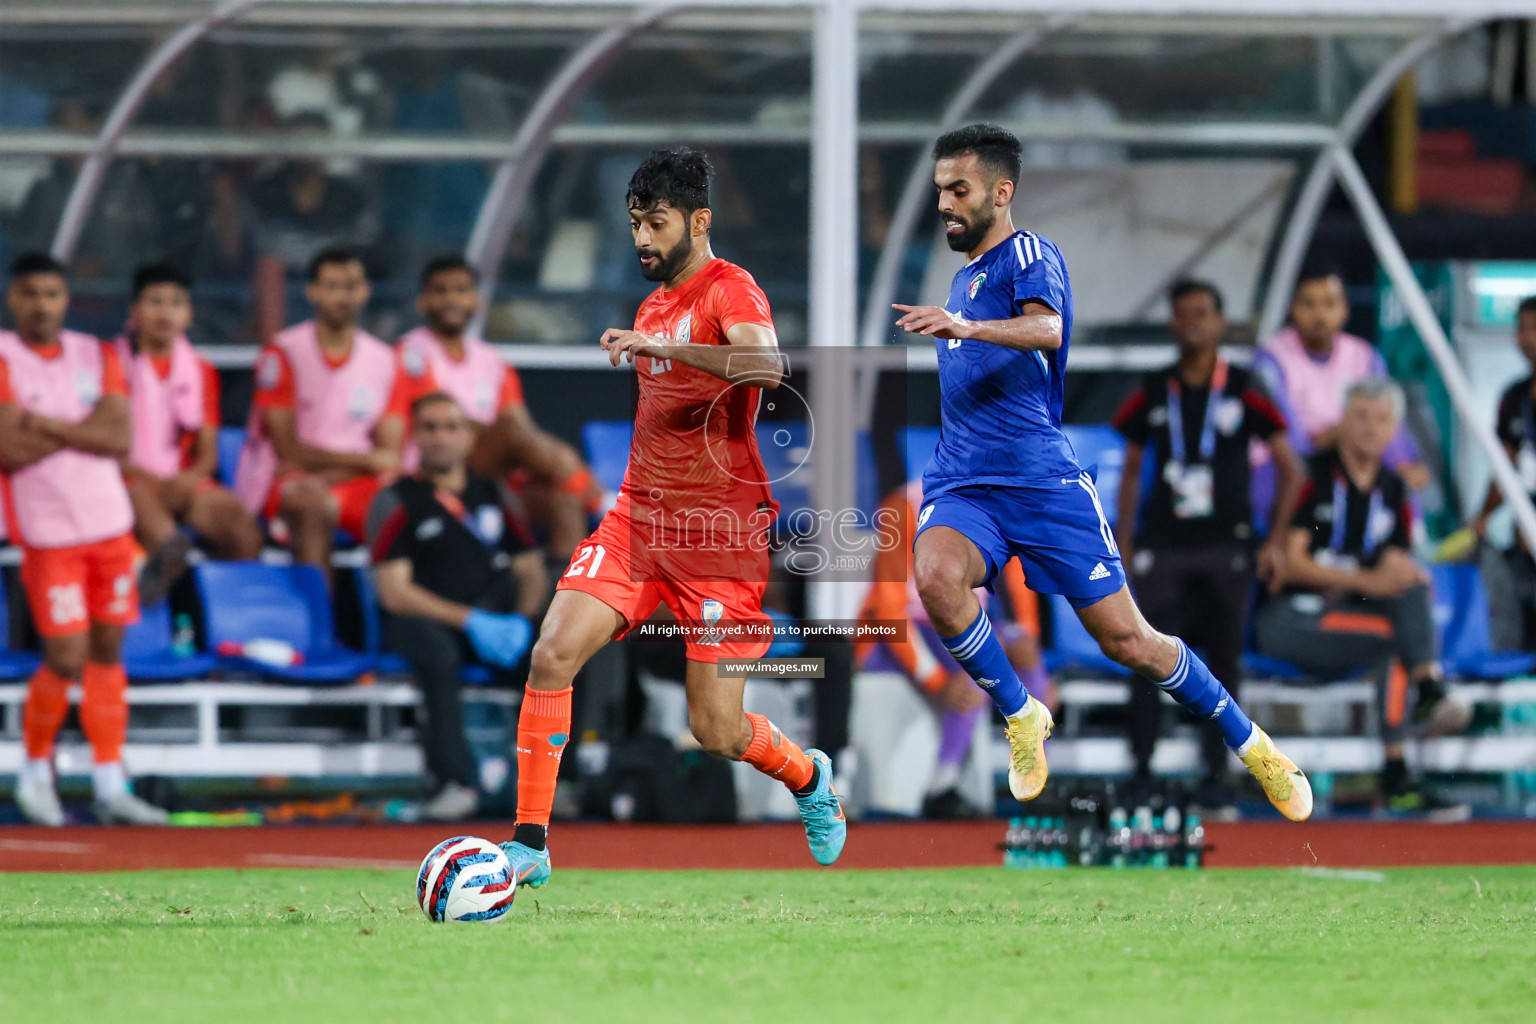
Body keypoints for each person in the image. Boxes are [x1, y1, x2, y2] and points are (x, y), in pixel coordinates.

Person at [890, 124, 1311, 821]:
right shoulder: (962, 280)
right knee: (934, 577)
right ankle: (1022, 714)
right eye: (939, 191)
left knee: (1129, 642)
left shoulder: (1029, 253)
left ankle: (1255, 744)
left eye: (958, 189)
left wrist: (965, 328)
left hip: (1043, 485)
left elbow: (1046, 329)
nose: (945, 204)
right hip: (965, 484)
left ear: (1002, 192)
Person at [499, 148, 846, 888]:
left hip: (719, 539)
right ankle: (530, 843)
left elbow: (768, 367)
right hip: (639, 521)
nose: (643, 240)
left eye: (656, 223)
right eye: (634, 224)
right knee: (552, 652)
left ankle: (809, 777)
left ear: (699, 220)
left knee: (715, 730)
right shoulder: (650, 305)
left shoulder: (731, 290)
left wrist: (666, 346)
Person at [1112, 279, 1303, 808]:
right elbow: (1129, 473)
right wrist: (1122, 544)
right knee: (1145, 655)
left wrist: (1276, 541)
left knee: (1223, 661)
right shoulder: (1153, 388)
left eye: (1202, 313)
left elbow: (1291, 468)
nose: (1192, 322)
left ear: (1221, 323)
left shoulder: (1245, 385)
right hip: (1164, 548)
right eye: (1182, 314)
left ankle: (1219, 774)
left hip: (1229, 547)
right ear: (1172, 325)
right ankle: (1142, 769)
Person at [0, 254, 167, 825]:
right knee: (65, 655)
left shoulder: (96, 353)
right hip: (48, 532)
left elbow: (119, 437)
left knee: (108, 651)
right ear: (13, 299)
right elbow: (8, 450)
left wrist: (43, 423)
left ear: (65, 298)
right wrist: (83, 431)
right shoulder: (3, 356)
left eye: (51, 292)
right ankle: (35, 771)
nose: (42, 303)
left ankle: (108, 778)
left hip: (109, 525)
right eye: (30, 293)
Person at [1255, 378, 1471, 820]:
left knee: (1409, 590)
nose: (1370, 428)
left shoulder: (1393, 488)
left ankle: (1416, 718)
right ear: (1343, 422)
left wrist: (1397, 574)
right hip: (1293, 617)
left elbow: (1391, 567)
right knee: (1398, 640)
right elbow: (1290, 563)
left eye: (1381, 419)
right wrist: (1367, 581)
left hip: (1348, 618)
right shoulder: (1311, 475)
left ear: (1394, 430)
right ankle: (1421, 707)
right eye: (1360, 416)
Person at [367, 392, 548, 821]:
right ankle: (453, 783)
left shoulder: (496, 494)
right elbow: (394, 591)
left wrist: (521, 620)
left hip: (496, 619)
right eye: (429, 427)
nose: (440, 437)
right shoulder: (395, 500)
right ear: (415, 436)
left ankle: (563, 780)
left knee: (559, 648)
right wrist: (470, 621)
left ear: (469, 437)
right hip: (427, 622)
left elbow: (531, 570)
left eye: (451, 426)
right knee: (438, 653)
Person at [858, 479, 1052, 818]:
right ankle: (941, 785)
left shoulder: (996, 503)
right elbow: (890, 608)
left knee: (1028, 661)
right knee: (975, 671)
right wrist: (937, 681)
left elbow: (1018, 579)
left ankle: (1030, 777)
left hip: (962, 620)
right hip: (901, 631)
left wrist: (1026, 633)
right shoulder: (904, 505)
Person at [234, 247, 429, 578]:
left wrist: (350, 468)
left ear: (365, 291)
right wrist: (363, 462)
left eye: (352, 285)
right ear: (313, 291)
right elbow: (289, 454)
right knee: (314, 507)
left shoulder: (384, 359)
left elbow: (390, 453)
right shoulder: (283, 352)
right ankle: (320, 624)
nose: (343, 295)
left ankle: (415, 620)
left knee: (421, 512)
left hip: (354, 484)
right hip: (293, 484)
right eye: (333, 286)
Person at [397, 256, 603, 557]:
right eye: (441, 291)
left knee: (562, 502)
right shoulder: (412, 353)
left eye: (461, 290)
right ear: (422, 301)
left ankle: (564, 597)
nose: (451, 299)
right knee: (512, 434)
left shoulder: (492, 361)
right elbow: (443, 423)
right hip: (435, 470)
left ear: (477, 301)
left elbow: (521, 427)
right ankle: (601, 500)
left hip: (490, 477)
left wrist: (529, 458)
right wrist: (514, 444)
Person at [116, 263, 263, 605]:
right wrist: (154, 482)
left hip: (183, 482)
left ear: (190, 314)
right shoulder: (111, 363)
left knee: (240, 526)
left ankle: (232, 620)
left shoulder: (201, 370)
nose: (166, 312)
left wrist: (184, 481)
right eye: (155, 301)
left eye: (176, 303)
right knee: (164, 538)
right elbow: (105, 448)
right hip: (128, 479)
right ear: (134, 310)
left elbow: (207, 453)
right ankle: (156, 623)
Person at [1253, 268, 1430, 491]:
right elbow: (1286, 437)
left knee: (1401, 484)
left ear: (1344, 309)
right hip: (1290, 471)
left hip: (1351, 460)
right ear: (1293, 308)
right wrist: (1341, 434)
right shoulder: (1271, 358)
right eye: (1309, 304)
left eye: (1329, 304)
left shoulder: (1364, 355)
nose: (1319, 315)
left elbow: (1389, 419)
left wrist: (1406, 464)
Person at [1469, 295, 1536, 646]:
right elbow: (1506, 467)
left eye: (1533, 328)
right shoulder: (1515, 398)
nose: (1526, 338)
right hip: (1526, 536)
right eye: (1521, 329)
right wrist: (1482, 517)